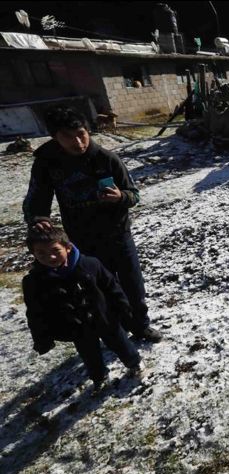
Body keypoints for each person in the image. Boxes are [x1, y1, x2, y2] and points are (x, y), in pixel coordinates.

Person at [22, 107, 161, 342]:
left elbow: (134, 195)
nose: (78, 142)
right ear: (55, 137)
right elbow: (37, 198)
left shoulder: (106, 158)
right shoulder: (48, 163)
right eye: (68, 136)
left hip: (118, 234)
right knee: (98, 288)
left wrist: (121, 197)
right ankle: (115, 330)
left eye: (82, 133)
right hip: (82, 238)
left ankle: (140, 325)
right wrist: (39, 219)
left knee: (133, 285)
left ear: (88, 131)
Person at [22, 226, 142, 389]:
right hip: (75, 326)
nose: (50, 257)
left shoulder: (90, 264)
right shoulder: (34, 282)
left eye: (56, 250)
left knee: (121, 343)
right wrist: (42, 338)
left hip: (105, 317)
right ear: (33, 254)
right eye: (41, 253)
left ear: (68, 247)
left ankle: (134, 365)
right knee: (89, 354)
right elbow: (35, 312)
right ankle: (99, 377)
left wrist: (123, 307)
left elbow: (111, 286)